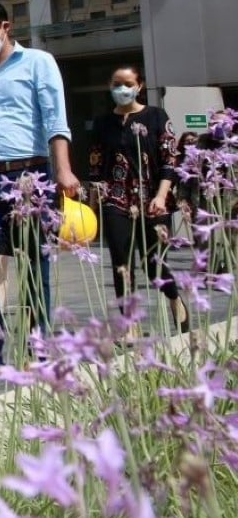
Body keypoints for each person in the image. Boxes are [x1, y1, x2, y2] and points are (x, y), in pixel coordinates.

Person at [0, 0, 80, 384]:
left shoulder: (39, 62)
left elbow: (55, 119)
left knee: (34, 264)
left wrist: (63, 170)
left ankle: (39, 351)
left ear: (5, 26)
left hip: (28, 175)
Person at [87, 63, 188, 336]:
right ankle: (129, 322)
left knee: (153, 260)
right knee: (121, 261)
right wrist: (94, 205)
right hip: (115, 198)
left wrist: (161, 194)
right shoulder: (103, 122)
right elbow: (95, 163)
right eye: (117, 84)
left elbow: (170, 158)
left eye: (128, 84)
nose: (122, 89)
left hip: (153, 198)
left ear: (139, 86)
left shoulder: (155, 116)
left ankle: (174, 298)